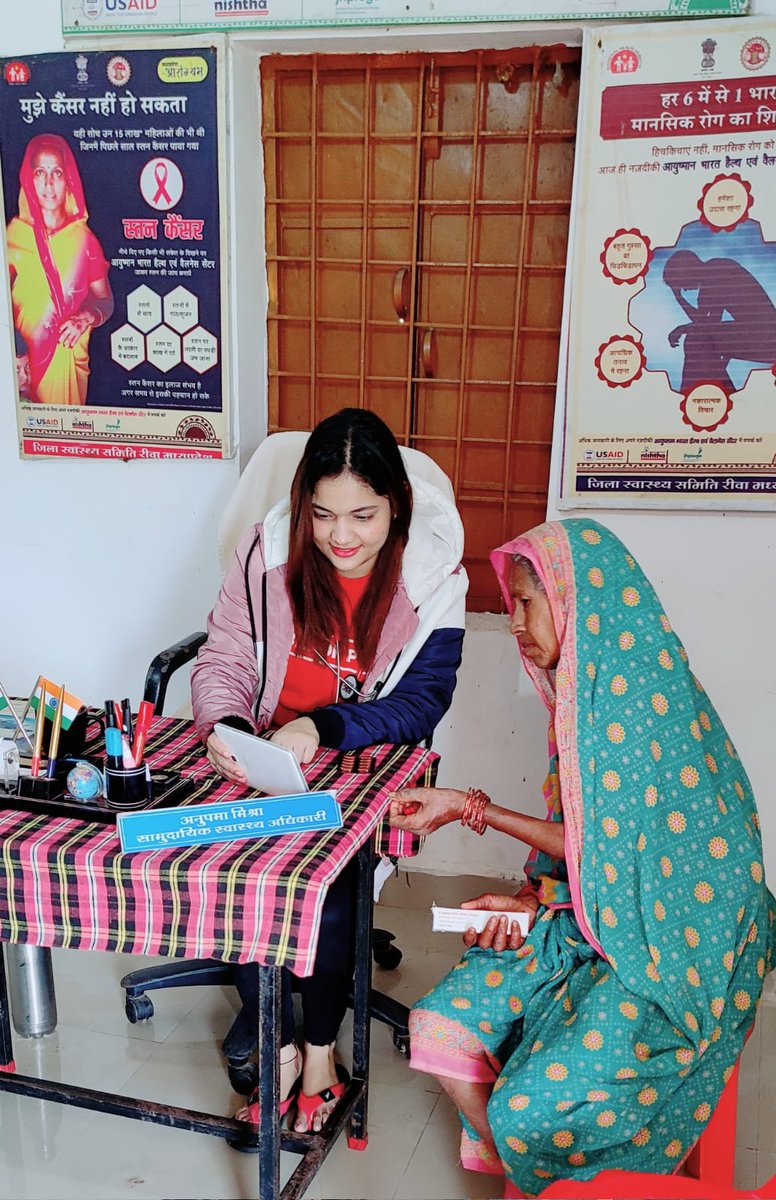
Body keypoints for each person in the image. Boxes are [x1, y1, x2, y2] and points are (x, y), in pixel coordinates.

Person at [390, 518, 775, 1199]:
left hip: (664, 952)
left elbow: (604, 846)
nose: (515, 624)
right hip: (585, 922)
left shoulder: (641, 707)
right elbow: (586, 850)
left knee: (527, 1107)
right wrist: (529, 901)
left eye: (526, 602)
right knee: (437, 1027)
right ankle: (534, 1175)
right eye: (511, 604)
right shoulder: (582, 702)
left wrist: (467, 807)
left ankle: (557, 1169)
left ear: (577, 602)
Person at [191, 407, 468, 1133]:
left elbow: (422, 700)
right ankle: (280, 1050)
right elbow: (223, 656)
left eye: (362, 516)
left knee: (332, 886)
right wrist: (226, 726)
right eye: (322, 515)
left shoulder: (433, 576)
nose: (341, 536)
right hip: (265, 755)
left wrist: (323, 725)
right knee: (235, 873)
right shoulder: (266, 554)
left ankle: (320, 1058)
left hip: (357, 760)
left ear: (396, 506)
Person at [6, 132, 113, 406]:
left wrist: (85, 318)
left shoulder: (84, 241)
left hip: (68, 360)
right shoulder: (12, 237)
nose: (49, 184)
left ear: (69, 181)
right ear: (29, 179)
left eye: (57, 173)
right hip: (23, 366)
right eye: (40, 173)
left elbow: (106, 301)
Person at [663, 249, 776, 393]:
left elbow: (705, 324)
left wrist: (679, 300)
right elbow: (705, 322)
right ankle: (719, 390)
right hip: (760, 334)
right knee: (701, 341)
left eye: (679, 284)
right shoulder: (713, 272)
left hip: (767, 337)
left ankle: (698, 391)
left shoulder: (716, 273)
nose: (683, 289)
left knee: (696, 340)